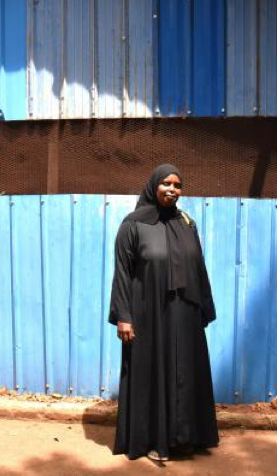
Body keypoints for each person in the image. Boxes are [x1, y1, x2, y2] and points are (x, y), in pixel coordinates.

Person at [109, 163, 219, 462]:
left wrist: (204, 308)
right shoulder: (133, 224)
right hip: (148, 316)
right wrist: (124, 315)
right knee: (152, 374)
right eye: (166, 183)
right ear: (153, 185)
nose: (172, 189)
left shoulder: (187, 223)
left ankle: (185, 438)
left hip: (184, 314)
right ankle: (152, 440)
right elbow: (122, 272)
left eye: (178, 185)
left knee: (185, 373)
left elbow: (199, 267)